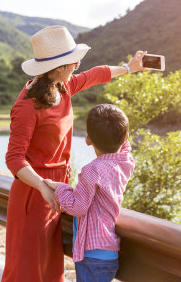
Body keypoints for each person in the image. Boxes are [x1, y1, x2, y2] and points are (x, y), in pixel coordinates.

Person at [2, 25, 145, 282]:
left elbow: (96, 74)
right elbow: (14, 159)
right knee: (27, 269)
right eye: (73, 63)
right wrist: (43, 187)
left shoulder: (62, 86)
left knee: (50, 267)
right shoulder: (26, 106)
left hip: (58, 189)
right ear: (58, 68)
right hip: (34, 192)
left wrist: (129, 67)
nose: (77, 66)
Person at [44, 104, 134, 282]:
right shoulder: (125, 163)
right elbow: (125, 146)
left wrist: (60, 187)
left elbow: (78, 207)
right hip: (108, 253)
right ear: (126, 137)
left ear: (88, 139)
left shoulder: (92, 170)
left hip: (91, 256)